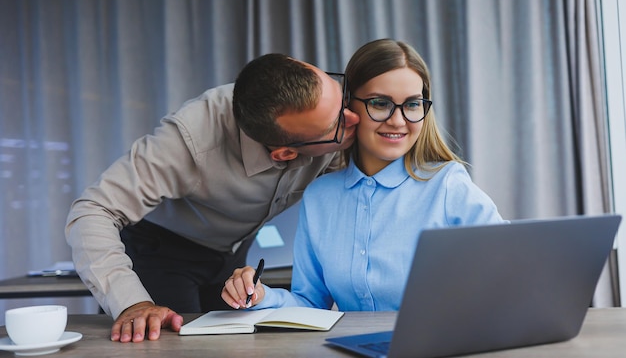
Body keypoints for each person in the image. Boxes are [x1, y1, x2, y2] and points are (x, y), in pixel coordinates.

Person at [65, 53, 360, 342]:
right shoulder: (192, 140)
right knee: (173, 348)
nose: (355, 119)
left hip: (234, 257)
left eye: (342, 98)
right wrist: (132, 303)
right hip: (161, 254)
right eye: (336, 126)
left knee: (239, 346)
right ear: (284, 153)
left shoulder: (332, 120)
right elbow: (92, 210)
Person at [222, 39, 506, 311]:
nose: (398, 120)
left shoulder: (448, 186)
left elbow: (510, 274)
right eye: (380, 103)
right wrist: (260, 295)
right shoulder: (320, 196)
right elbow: (309, 303)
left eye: (412, 104)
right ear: (349, 106)